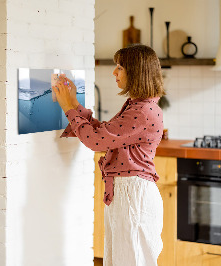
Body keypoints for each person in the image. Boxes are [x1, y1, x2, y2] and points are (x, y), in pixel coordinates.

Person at [53, 44, 165, 266]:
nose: (114, 72)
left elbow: (96, 141)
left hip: (133, 195)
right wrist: (74, 103)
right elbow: (104, 133)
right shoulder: (138, 106)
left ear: (136, 72)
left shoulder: (142, 111)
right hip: (128, 193)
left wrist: (68, 107)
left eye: (120, 67)